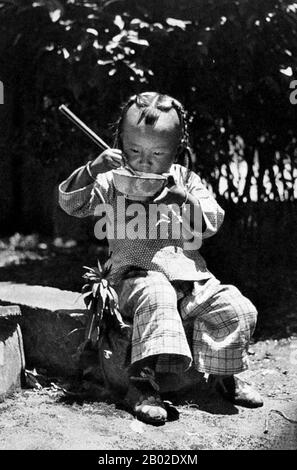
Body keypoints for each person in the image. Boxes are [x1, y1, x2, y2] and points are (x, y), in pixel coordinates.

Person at [59, 92, 263, 424]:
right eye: (134, 151)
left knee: (237, 307)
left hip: (190, 282)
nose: (144, 162)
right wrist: (91, 169)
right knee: (157, 291)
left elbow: (210, 222)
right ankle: (141, 385)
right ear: (120, 144)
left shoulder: (185, 181)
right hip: (132, 278)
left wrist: (183, 200)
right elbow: (71, 203)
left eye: (157, 153)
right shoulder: (111, 180)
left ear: (177, 150)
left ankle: (224, 374)